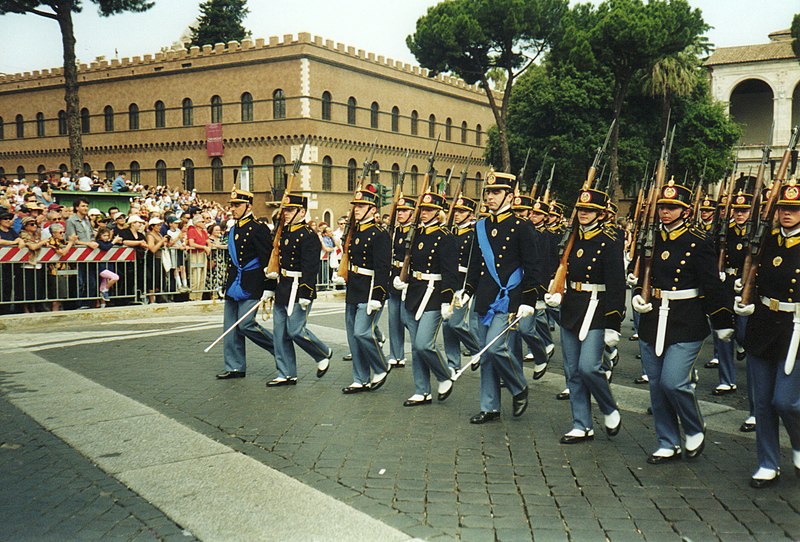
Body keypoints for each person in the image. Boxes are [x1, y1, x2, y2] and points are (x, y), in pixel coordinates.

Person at [632, 180, 734, 464]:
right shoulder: (651, 239)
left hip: (686, 318)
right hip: (653, 317)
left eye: (672, 207)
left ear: (685, 211)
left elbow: (712, 285)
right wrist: (638, 297)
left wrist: (722, 320)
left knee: (673, 382)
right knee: (656, 386)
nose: (666, 212)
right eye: (663, 207)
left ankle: (693, 425)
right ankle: (667, 441)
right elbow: (642, 274)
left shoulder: (699, 241)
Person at [544, 188, 624, 444]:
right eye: (581, 210)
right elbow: (563, 268)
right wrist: (557, 290)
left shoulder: (610, 240)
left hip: (597, 307)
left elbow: (617, 284)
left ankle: (608, 406)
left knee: (589, 367)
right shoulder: (572, 238)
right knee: (572, 370)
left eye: (589, 211)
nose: (584, 214)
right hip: (572, 305)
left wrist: (613, 323)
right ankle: (581, 423)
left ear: (600, 214)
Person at [461, 172, 542, 423]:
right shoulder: (482, 226)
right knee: (486, 354)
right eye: (488, 192)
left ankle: (518, 387)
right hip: (485, 296)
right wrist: (467, 291)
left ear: (509, 195)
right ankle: (490, 406)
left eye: (495, 192)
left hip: (510, 297)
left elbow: (533, 267)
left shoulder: (522, 227)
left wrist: (528, 300)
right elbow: (476, 264)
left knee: (497, 348)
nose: (490, 197)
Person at [736, 181, 800, 488]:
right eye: (784, 209)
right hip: (763, 322)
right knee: (762, 401)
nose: (787, 214)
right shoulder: (768, 239)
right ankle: (768, 462)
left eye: (794, 209)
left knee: (786, 401)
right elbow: (752, 271)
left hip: (796, 328)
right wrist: (744, 295)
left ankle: (798, 444)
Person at [393, 191, 459, 407]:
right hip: (414, 290)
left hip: (434, 292)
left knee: (423, 344)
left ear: (438, 212)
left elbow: (451, 272)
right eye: (422, 209)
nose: (424, 213)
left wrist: (447, 300)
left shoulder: (445, 237)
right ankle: (422, 390)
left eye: (429, 209)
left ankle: (444, 375)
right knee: (415, 347)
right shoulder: (417, 234)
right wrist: (403, 279)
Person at [264, 194, 332, 386]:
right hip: (283, 285)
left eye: (291, 210)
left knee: (295, 331)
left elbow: (311, 268)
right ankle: (286, 373)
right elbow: (275, 258)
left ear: (302, 212)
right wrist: (269, 286)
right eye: (285, 210)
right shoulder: (284, 232)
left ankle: (322, 352)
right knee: (279, 334)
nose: (286, 213)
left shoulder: (308, 235)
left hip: (298, 287)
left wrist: (306, 292)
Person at [215, 188, 275, 380]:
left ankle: (278, 347)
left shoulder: (259, 228)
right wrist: (226, 285)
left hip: (253, 283)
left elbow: (267, 259)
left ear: (248, 206)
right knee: (230, 327)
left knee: (246, 324)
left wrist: (269, 286)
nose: (233, 209)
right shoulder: (233, 229)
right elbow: (232, 261)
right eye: (231, 205)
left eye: (237, 205)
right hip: (234, 283)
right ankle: (235, 367)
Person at [340, 188, 392, 394]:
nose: (357, 210)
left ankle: (380, 366)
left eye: (361, 206)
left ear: (373, 209)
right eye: (356, 206)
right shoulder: (356, 231)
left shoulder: (380, 234)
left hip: (370, 290)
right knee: (353, 337)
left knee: (362, 333)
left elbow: (383, 267)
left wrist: (378, 295)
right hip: (354, 287)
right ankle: (360, 378)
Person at [442, 196, 481, 372]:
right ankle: (453, 363)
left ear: (471, 214)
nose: (457, 214)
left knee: (455, 323)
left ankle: (477, 348)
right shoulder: (450, 234)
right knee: (446, 324)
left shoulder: (474, 236)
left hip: (464, 282)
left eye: (462, 211)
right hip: (450, 280)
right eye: (456, 211)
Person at [387, 197, 415, 368]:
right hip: (394, 275)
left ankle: (419, 349)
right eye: (399, 211)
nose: (400, 214)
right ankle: (396, 355)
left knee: (406, 318)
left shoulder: (415, 231)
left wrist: (408, 280)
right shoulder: (395, 231)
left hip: (407, 279)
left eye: (404, 211)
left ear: (412, 214)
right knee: (393, 319)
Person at [65, 197, 99, 308]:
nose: (86, 208)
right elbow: (72, 239)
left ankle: (89, 303)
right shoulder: (71, 221)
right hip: (78, 255)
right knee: (79, 281)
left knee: (91, 281)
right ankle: (78, 304)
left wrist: (93, 242)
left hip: (90, 255)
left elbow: (91, 235)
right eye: (83, 206)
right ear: (76, 207)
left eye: (86, 206)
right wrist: (87, 244)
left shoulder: (87, 220)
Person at [46, 223, 76, 311]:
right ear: (54, 233)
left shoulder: (62, 241)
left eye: (64, 232)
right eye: (60, 232)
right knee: (57, 296)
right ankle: (54, 313)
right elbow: (62, 252)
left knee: (62, 295)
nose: (63, 234)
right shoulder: (52, 241)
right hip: (55, 271)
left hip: (64, 271)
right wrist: (70, 243)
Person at [95, 226, 121, 307]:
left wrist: (118, 241)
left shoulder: (108, 242)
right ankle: (105, 291)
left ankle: (103, 304)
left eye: (107, 235)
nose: (106, 237)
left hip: (108, 267)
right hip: (101, 268)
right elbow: (105, 247)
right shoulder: (99, 242)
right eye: (104, 235)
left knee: (103, 284)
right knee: (115, 277)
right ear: (100, 236)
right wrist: (113, 241)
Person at [186, 215, 210, 301]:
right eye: (202, 221)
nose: (204, 223)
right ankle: (193, 297)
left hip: (202, 254)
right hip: (195, 254)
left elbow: (208, 241)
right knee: (195, 275)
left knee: (202, 276)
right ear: (197, 223)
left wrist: (209, 247)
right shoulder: (192, 231)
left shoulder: (204, 232)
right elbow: (191, 243)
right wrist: (204, 247)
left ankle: (199, 297)